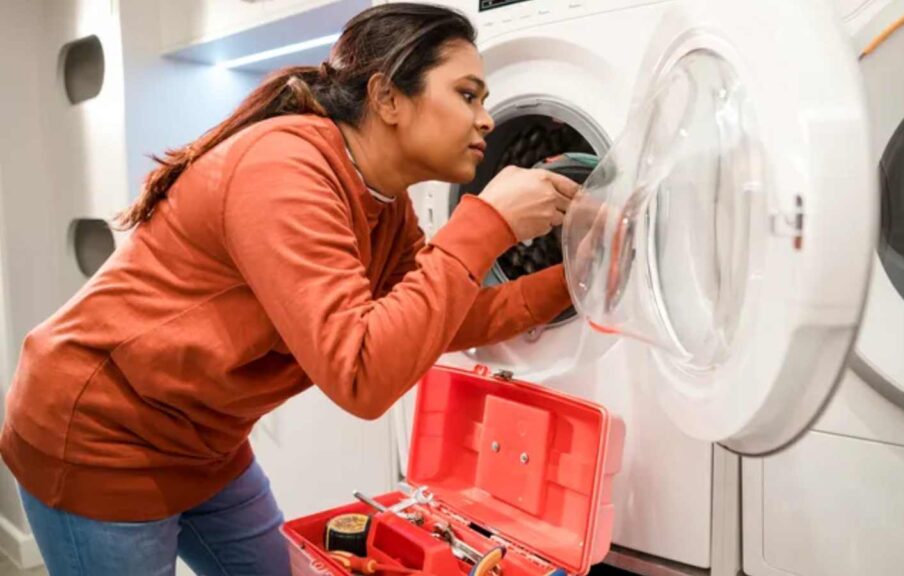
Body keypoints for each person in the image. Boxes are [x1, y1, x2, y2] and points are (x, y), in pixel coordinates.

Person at [0, 3, 579, 574]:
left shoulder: (386, 204)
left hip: (206, 440)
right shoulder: (285, 168)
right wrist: (486, 225)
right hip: (103, 435)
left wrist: (579, 275)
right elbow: (363, 376)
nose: (486, 119)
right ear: (387, 98)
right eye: (467, 95)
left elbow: (443, 315)